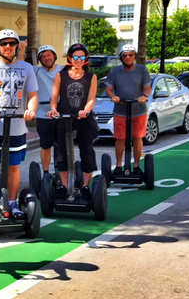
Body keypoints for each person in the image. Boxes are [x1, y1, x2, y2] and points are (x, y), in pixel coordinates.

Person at [0, 29, 39, 220]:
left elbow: (33, 95)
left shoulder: (27, 68)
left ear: (17, 46)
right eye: (4, 44)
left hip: (18, 127)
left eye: (12, 43)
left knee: (13, 166)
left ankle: (12, 202)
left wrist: (30, 110)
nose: (8, 47)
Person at [47, 43, 99, 199]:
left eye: (82, 57)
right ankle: (63, 186)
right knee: (62, 152)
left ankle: (84, 186)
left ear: (86, 59)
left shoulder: (91, 77)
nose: (78, 60)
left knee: (87, 150)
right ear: (70, 58)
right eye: (75, 56)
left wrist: (86, 111)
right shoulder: (60, 75)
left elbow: (91, 99)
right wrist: (54, 109)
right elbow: (55, 97)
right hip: (64, 117)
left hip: (83, 118)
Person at [105, 43, 151, 175]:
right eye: (125, 55)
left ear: (135, 56)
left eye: (131, 55)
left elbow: (147, 87)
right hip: (120, 109)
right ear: (121, 57)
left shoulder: (142, 70)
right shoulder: (114, 71)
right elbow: (108, 89)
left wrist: (144, 96)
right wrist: (113, 96)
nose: (128, 57)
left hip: (139, 110)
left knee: (137, 137)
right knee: (120, 138)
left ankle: (136, 165)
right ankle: (119, 165)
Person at [34, 45, 64, 176]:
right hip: (43, 114)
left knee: (61, 146)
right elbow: (22, 65)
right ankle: (46, 173)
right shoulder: (36, 71)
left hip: (61, 114)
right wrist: (22, 50)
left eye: (49, 55)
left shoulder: (63, 70)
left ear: (54, 56)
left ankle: (61, 171)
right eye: (43, 56)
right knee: (45, 145)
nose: (46, 58)